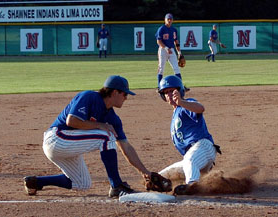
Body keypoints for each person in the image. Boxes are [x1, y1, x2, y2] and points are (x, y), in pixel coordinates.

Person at [23, 75, 152, 198]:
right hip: (57, 139)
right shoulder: (89, 97)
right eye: (124, 94)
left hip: (68, 146)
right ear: (114, 92)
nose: (126, 98)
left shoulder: (113, 118)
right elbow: (71, 121)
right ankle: (116, 185)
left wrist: (145, 172)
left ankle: (35, 182)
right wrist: (100, 125)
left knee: (82, 183)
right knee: (106, 136)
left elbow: (126, 147)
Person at [157, 75, 221, 195]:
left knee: (189, 160)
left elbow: (200, 108)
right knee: (160, 177)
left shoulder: (186, 104)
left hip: (203, 146)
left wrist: (181, 102)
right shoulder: (176, 112)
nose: (169, 94)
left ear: (180, 91)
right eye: (165, 92)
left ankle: (192, 185)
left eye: (171, 91)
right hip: (193, 156)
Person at [155, 13, 189, 91]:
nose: (169, 20)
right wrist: (166, 48)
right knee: (161, 68)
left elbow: (176, 41)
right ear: (165, 20)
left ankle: (181, 86)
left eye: (171, 19)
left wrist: (179, 52)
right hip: (163, 50)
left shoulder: (174, 30)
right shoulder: (162, 29)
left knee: (176, 68)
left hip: (172, 50)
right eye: (168, 19)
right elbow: (158, 41)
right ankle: (159, 87)